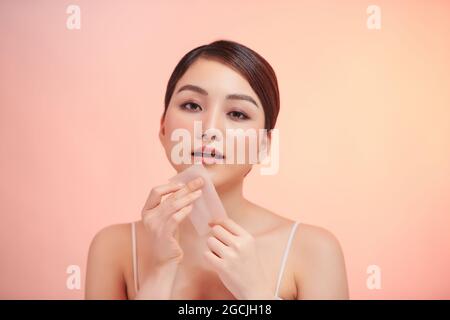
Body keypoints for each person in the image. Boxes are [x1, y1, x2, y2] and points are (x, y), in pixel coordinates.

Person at [85, 40, 349, 300]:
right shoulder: (113, 248)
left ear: (263, 145)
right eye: (192, 106)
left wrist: (255, 291)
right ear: (163, 127)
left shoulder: (314, 250)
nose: (209, 128)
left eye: (237, 114)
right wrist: (161, 271)